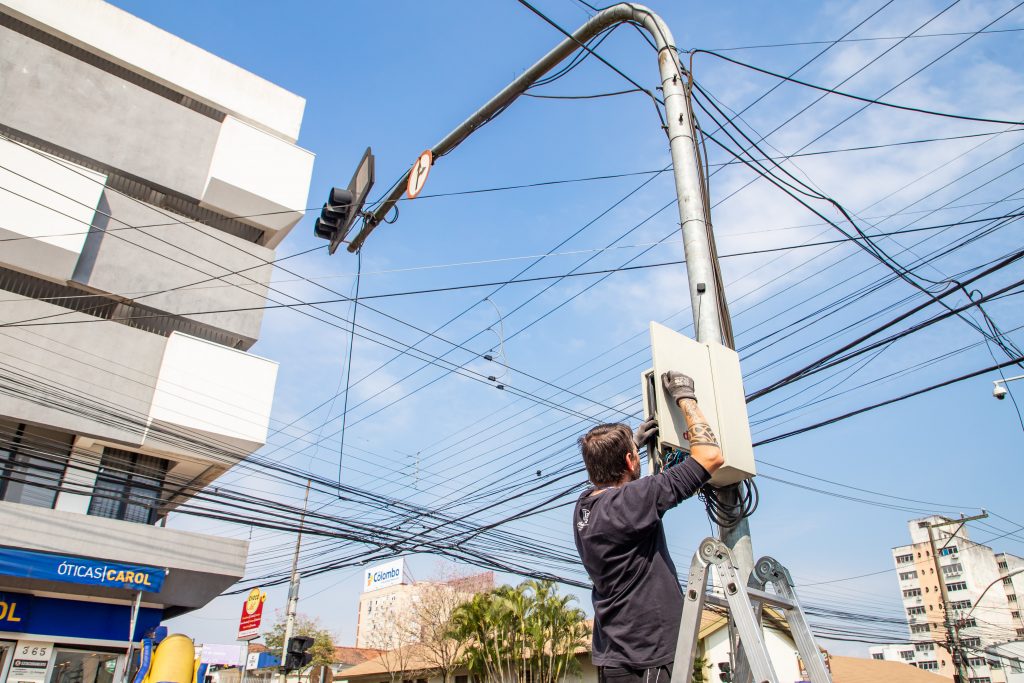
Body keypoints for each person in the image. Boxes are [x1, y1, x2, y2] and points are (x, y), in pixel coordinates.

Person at [573, 371, 725, 683]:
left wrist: (633, 448)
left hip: (613, 656)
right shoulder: (635, 499)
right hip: (649, 658)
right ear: (630, 461)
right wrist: (686, 397)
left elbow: (610, 483)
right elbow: (711, 456)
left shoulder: (584, 507)